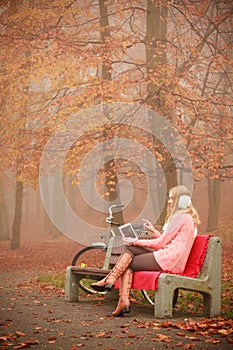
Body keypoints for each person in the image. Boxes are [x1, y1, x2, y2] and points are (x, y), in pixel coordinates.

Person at [91, 185, 200, 317]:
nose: (170, 201)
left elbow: (161, 244)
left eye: (173, 198)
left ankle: (115, 287)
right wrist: (154, 232)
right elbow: (171, 241)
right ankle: (119, 294)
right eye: (169, 198)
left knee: (129, 259)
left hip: (169, 260)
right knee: (130, 252)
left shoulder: (179, 216)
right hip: (173, 259)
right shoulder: (187, 217)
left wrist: (135, 241)